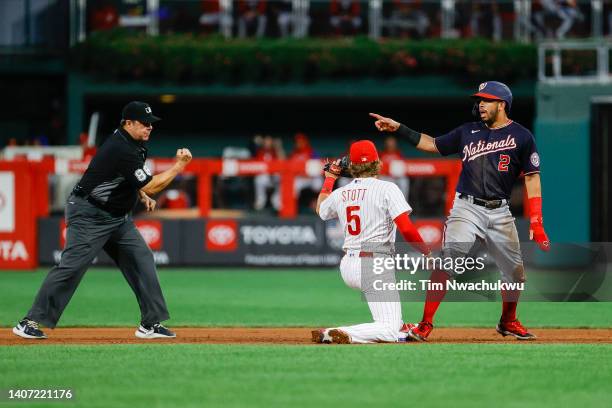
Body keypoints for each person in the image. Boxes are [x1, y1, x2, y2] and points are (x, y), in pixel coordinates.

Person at [370, 81, 550, 342]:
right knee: (449, 262)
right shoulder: (468, 131)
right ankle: (425, 324)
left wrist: (536, 221)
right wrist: (399, 128)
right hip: (467, 208)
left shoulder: (523, 136)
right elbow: (432, 145)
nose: (480, 104)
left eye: (486, 100)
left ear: (502, 104)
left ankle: (508, 321)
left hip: (500, 211)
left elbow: (532, 178)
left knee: (515, 273)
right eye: (479, 100)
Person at [13, 101, 192, 340]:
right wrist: (178, 166)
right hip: (89, 213)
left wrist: (141, 193)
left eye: (151, 123)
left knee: (142, 259)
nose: (149, 127)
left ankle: (150, 323)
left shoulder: (132, 143)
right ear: (128, 123)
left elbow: (124, 177)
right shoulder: (122, 148)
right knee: (72, 267)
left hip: (117, 217)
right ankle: (28, 322)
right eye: (144, 123)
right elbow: (150, 182)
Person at [312, 140, 430, 344]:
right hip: (374, 264)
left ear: (352, 166)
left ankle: (402, 328)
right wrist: (426, 252)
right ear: (377, 162)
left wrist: (330, 178)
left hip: (348, 265)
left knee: (395, 325)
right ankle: (338, 332)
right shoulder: (387, 188)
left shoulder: (341, 193)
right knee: (389, 331)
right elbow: (407, 229)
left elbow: (321, 210)